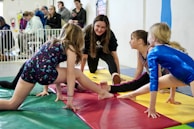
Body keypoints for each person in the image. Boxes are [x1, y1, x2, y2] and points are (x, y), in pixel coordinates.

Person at [0, 23, 113, 111]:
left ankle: (100, 91)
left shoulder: (51, 42)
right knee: (77, 73)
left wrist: (59, 93)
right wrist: (70, 100)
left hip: (29, 68)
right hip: (44, 72)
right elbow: (70, 74)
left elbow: (56, 67)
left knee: (12, 104)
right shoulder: (70, 47)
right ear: (78, 38)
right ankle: (101, 92)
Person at [118, 22, 194, 118]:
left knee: (155, 83)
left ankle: (133, 94)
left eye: (149, 35)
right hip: (184, 75)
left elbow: (154, 81)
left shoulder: (153, 52)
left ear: (154, 38)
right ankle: (132, 94)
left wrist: (152, 107)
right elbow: (174, 70)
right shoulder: (167, 48)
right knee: (159, 82)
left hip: (191, 76)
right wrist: (172, 96)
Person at [81, 15, 121, 84]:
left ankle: (114, 75)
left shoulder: (110, 34)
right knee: (92, 70)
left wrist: (118, 74)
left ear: (106, 28)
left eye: (103, 27)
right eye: (97, 26)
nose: (99, 29)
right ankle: (93, 67)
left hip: (104, 51)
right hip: (92, 52)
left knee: (110, 59)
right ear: (93, 25)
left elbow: (114, 55)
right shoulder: (87, 32)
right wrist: (80, 74)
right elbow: (84, 56)